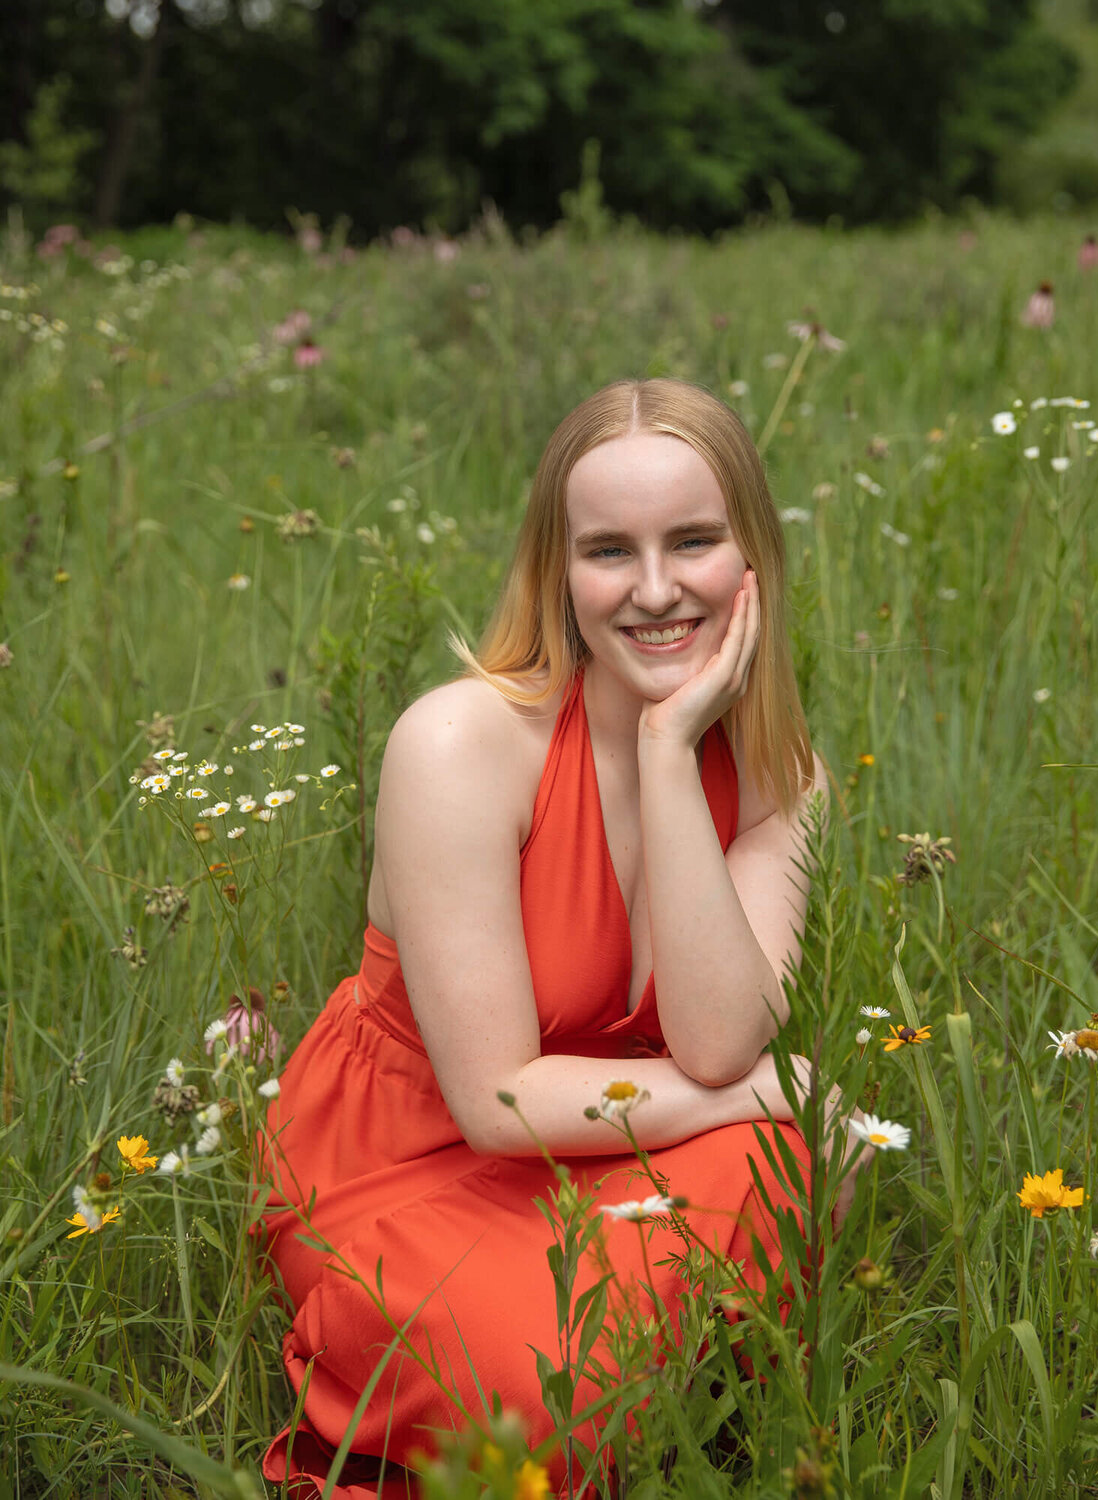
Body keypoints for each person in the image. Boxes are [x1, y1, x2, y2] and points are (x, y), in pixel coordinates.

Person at [258, 377, 834, 1499]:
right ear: (557, 572)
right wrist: (756, 1096)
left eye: (696, 541)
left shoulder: (776, 773)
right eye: (611, 550)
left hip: (610, 1134)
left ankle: (661, 1402)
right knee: (535, 1390)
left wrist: (671, 752)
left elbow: (716, 1043)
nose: (658, 589)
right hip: (416, 1157)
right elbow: (497, 1101)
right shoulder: (459, 744)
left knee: (816, 1159)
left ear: (752, 558)